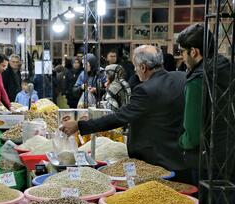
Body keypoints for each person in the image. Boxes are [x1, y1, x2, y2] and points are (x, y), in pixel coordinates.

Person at [61, 45, 187, 174]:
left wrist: (80, 125)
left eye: (136, 67)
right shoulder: (182, 78)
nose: (134, 70)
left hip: (156, 162)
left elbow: (120, 117)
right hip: (182, 158)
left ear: (143, 67)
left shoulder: (145, 89)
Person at [177, 24, 235, 184]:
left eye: (181, 51)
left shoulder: (197, 80)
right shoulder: (226, 68)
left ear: (193, 51)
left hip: (207, 161)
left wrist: (181, 140)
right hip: (229, 154)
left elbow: (193, 136)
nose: (181, 57)